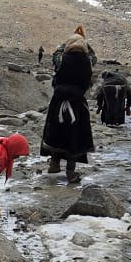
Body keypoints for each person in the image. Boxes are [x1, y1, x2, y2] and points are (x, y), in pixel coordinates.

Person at [40, 35, 94, 184]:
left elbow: (56, 55)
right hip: (77, 103)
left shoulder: (61, 59)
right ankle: (71, 171)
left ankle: (54, 164)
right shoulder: (87, 61)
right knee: (74, 135)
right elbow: (92, 63)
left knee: (56, 131)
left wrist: (63, 46)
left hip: (58, 100)